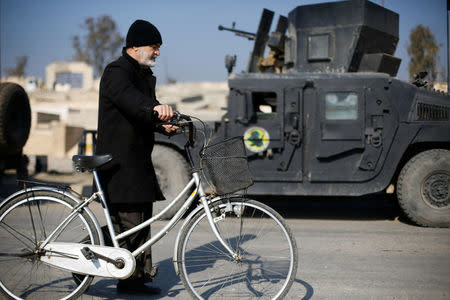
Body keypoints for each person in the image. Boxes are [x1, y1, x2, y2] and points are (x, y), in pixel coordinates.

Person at [95, 19, 177, 294]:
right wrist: (156, 109)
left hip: (137, 161)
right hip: (120, 163)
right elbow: (132, 101)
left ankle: (136, 279)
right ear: (136, 47)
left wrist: (161, 123)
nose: (157, 52)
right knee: (129, 222)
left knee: (141, 221)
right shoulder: (117, 71)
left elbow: (141, 113)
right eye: (154, 46)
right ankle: (95, 256)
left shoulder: (140, 75)